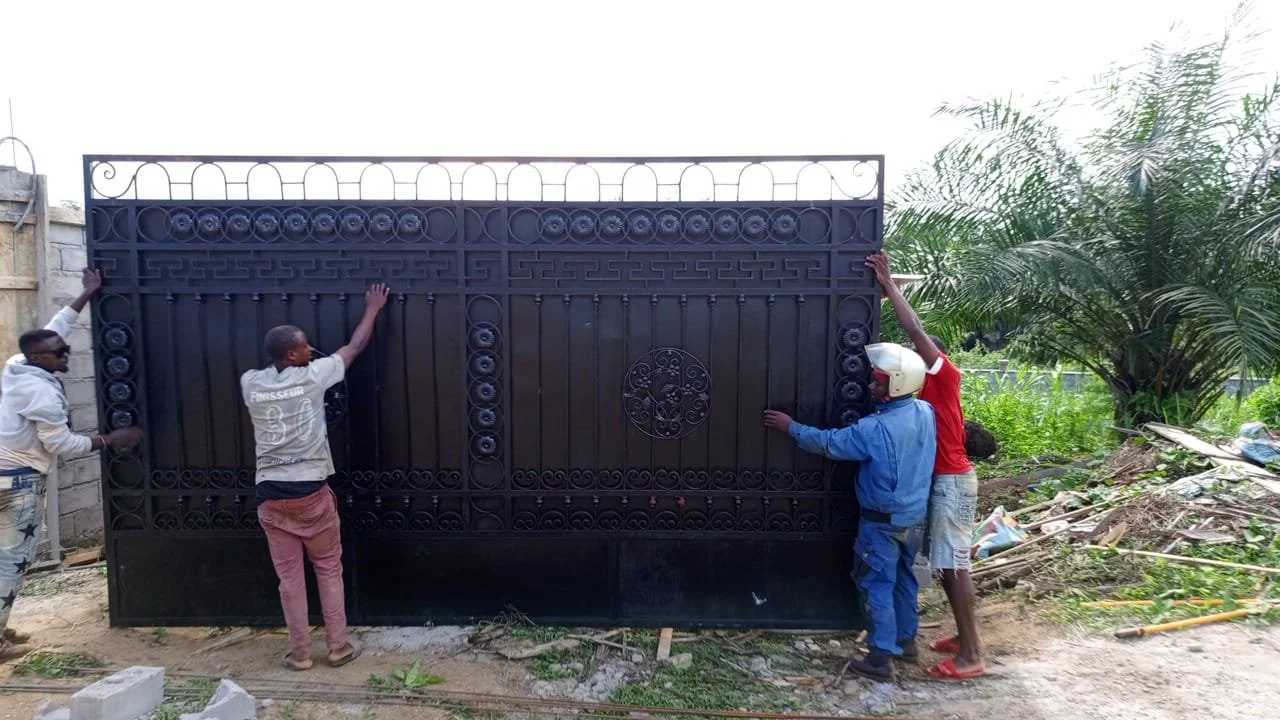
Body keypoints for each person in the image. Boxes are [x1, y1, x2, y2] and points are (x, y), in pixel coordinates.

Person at [764, 343, 934, 682]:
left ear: (896, 385)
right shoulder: (925, 412)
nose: (871, 386)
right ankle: (906, 642)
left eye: (878, 382)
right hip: (915, 518)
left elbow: (830, 443)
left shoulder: (875, 429)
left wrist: (791, 427)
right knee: (905, 579)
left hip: (881, 522)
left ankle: (880, 657)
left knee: (876, 584)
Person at [241, 283, 389, 671]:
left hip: (270, 494)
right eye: (304, 346)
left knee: (289, 579)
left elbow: (271, 372)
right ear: (292, 355)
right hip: (310, 491)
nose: (311, 349)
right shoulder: (312, 377)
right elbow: (354, 347)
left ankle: (301, 654)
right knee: (327, 569)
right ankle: (338, 647)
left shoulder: (250, 382)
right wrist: (373, 309)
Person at [0, 269, 143, 661]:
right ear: (39, 358)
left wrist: (86, 294)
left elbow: (55, 327)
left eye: (64, 348)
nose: (66, 354)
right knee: (12, 560)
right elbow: (61, 444)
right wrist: (110, 440)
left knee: (5, 558)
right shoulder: (40, 394)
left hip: (7, 476)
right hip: (17, 485)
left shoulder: (20, 364)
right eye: (59, 353)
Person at [867, 250, 985, 680]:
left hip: (952, 481)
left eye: (921, 353)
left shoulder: (945, 376)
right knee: (944, 562)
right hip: (943, 480)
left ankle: (972, 654)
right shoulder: (921, 394)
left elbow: (915, 330)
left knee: (954, 564)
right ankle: (962, 636)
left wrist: (889, 285)